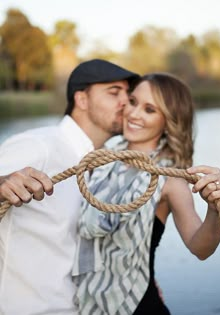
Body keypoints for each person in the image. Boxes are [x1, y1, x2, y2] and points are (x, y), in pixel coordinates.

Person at [72, 73, 220, 314]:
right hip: (88, 303)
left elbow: (200, 248)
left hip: (139, 306)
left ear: (168, 121)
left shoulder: (171, 179)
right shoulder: (101, 160)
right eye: (133, 102)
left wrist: (214, 209)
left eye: (149, 110)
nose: (134, 114)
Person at [0, 59, 139, 315]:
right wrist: (3, 183)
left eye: (128, 95)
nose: (125, 102)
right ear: (82, 100)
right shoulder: (39, 145)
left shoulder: (109, 163)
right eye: (114, 92)